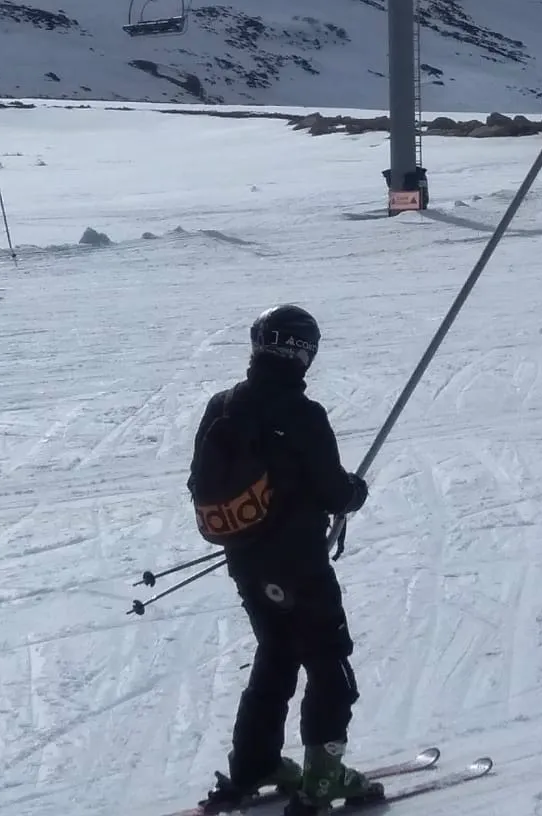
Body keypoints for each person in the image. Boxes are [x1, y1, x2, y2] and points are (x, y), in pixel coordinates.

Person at [191, 305, 378, 815]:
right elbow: (333, 490)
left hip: (248, 562)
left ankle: (254, 764)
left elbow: (200, 485)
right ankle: (324, 774)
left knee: (276, 653)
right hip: (299, 564)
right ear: (302, 353)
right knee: (328, 660)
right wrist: (354, 494)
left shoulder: (222, 405)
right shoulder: (303, 415)